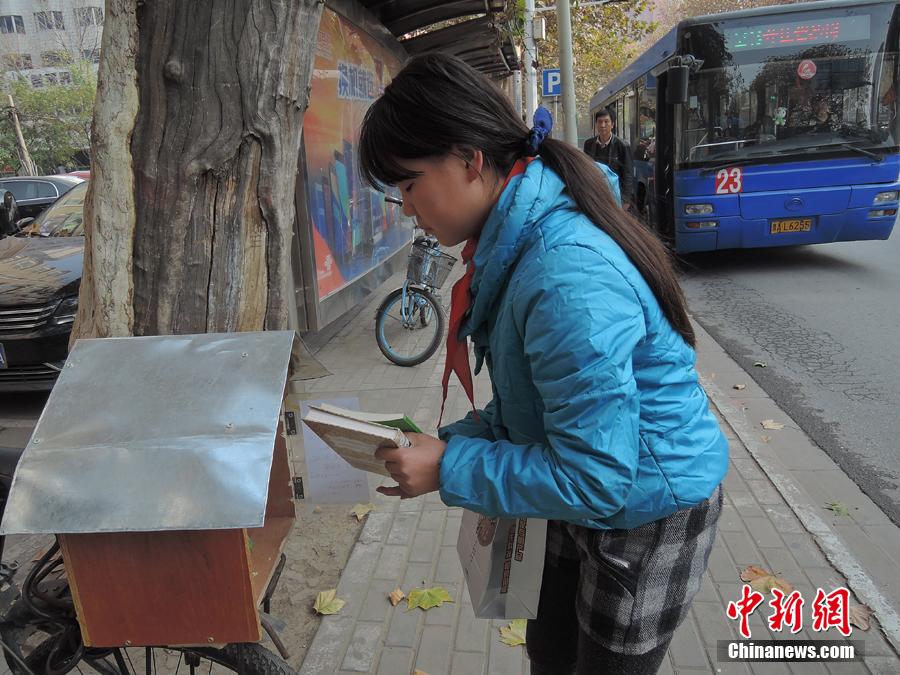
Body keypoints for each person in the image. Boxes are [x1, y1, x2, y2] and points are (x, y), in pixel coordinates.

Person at [360, 53, 728, 675]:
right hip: (584, 483)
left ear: (469, 160)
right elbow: (535, 402)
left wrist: (449, 465)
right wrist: (445, 443)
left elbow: (596, 478)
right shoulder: (516, 240)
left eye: (409, 183)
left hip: (647, 510)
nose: (405, 207)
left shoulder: (564, 275)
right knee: (549, 652)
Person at [583, 109, 634, 206]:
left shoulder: (622, 145)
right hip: (595, 194)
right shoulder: (589, 144)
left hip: (616, 195)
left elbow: (628, 174)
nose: (602, 125)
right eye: (599, 122)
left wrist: (626, 201)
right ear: (596, 124)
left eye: (606, 122)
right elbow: (586, 170)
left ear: (612, 124)